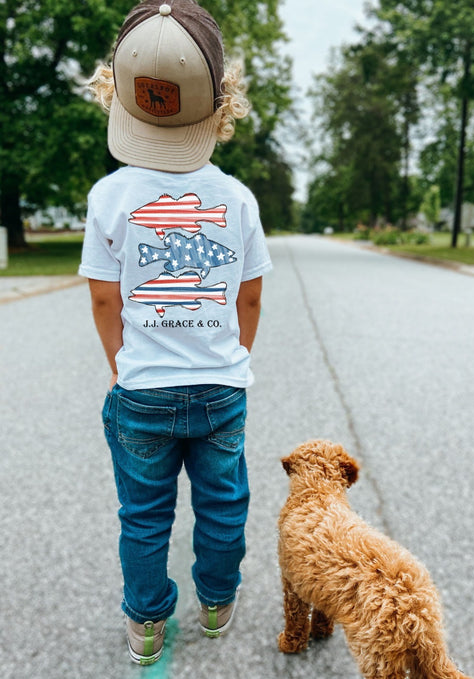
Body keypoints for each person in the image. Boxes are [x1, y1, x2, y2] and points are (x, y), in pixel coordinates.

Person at [79, 0, 272, 665]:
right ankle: (217, 600)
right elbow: (248, 295)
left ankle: (146, 622)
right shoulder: (238, 199)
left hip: (142, 389)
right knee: (223, 506)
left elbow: (106, 297)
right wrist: (230, 355)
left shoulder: (110, 197)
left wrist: (119, 363)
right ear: (221, 104)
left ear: (118, 94)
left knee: (143, 515)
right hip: (220, 387)